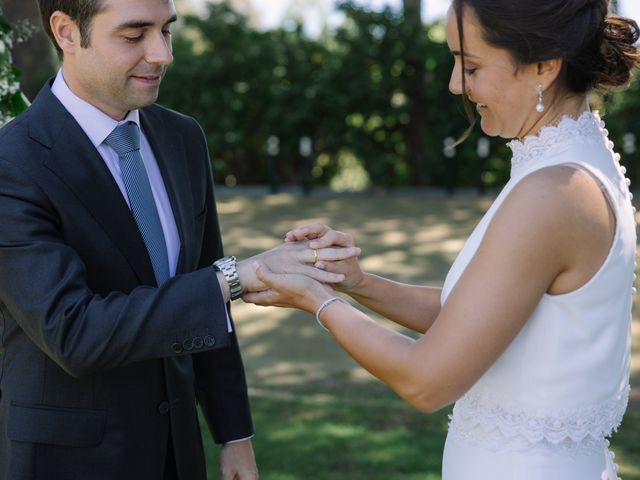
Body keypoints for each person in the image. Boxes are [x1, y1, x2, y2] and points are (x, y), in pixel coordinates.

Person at [244, 0, 640, 478]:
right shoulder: (569, 165)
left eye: (470, 65)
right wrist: (356, 283)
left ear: (544, 66)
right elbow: (475, 317)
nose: (456, 84)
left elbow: (426, 381)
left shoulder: (554, 194)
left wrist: (317, 301)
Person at [0, 0, 357, 479]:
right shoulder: (13, 163)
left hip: (178, 455)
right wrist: (232, 277)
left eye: (167, 30)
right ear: (66, 32)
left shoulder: (183, 138)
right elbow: (75, 334)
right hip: (67, 461)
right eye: (135, 35)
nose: (163, 53)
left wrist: (234, 436)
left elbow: (205, 300)